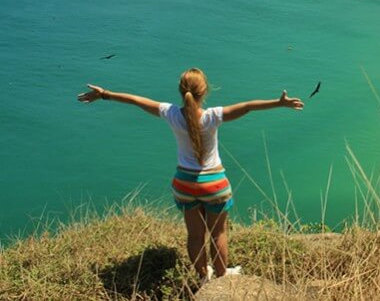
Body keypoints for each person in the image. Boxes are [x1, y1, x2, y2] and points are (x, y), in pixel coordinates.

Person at [77, 68, 304, 282]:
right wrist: (279, 103)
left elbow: (137, 101)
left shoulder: (171, 114)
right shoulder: (212, 116)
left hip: (184, 184)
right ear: (205, 91)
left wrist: (105, 94)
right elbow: (247, 107)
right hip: (214, 184)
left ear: (180, 90)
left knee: (195, 236)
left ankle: (204, 277)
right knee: (218, 234)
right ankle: (222, 278)